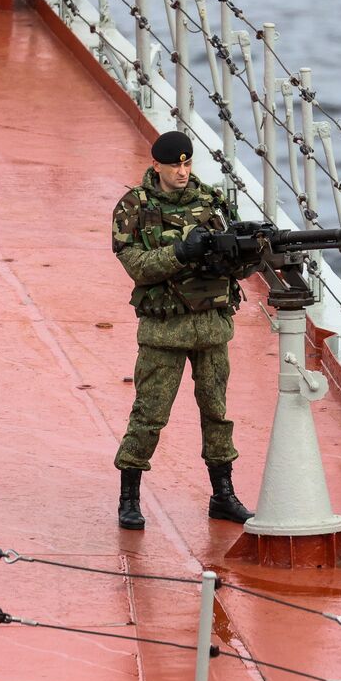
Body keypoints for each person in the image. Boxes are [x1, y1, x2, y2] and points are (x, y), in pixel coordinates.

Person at [109, 131, 255, 530]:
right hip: (164, 329)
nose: (182, 172)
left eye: (187, 164)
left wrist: (247, 253)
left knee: (217, 412)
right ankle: (129, 497)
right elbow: (136, 265)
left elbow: (236, 266)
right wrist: (181, 252)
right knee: (150, 413)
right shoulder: (135, 208)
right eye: (175, 165)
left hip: (211, 326)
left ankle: (223, 495)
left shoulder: (211, 201)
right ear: (156, 165)